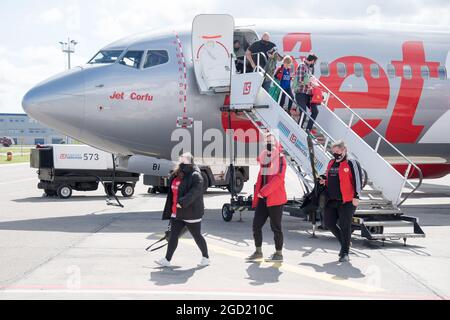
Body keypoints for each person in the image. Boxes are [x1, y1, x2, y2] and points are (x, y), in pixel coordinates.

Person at [156, 153, 210, 268]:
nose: (180, 161)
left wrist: (182, 202)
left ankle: (205, 257)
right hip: (177, 212)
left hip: (191, 213)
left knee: (197, 235)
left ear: (189, 161)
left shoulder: (195, 175)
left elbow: (195, 192)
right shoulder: (178, 174)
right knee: (173, 235)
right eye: (180, 159)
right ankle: (167, 259)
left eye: (183, 159)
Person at [319, 140, 363, 263]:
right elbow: (329, 175)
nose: (335, 154)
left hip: (347, 200)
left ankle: (344, 253)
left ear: (344, 150)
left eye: (338, 152)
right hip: (331, 199)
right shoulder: (331, 162)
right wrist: (324, 179)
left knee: (345, 225)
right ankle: (346, 242)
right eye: (334, 152)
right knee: (329, 223)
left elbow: (358, 180)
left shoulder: (351, 162)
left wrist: (357, 196)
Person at [247, 134, 288, 262]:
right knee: (256, 225)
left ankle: (278, 254)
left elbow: (279, 178)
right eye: (266, 141)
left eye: (270, 141)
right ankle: (258, 251)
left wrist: (263, 192)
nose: (267, 143)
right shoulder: (265, 155)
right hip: (262, 198)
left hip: (275, 198)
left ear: (276, 142)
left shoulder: (280, 158)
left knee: (276, 227)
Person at [294, 54, 318, 131]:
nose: (314, 64)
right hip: (301, 93)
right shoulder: (302, 66)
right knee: (303, 113)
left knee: (315, 111)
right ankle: (299, 129)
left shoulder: (309, 68)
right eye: (314, 62)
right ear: (313, 61)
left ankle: (308, 130)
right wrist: (310, 84)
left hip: (307, 94)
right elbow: (300, 81)